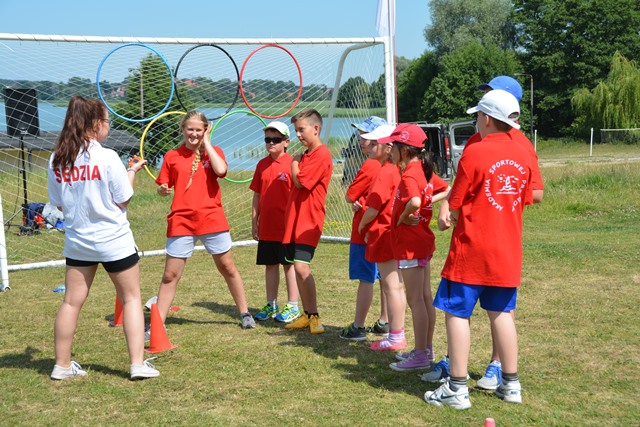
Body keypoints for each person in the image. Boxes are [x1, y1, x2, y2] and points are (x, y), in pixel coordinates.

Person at [425, 90, 542, 409]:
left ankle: (457, 387)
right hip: (507, 250)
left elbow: (456, 200)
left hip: (472, 249)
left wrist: (447, 214)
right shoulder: (523, 152)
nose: (476, 120)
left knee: (456, 313)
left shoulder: (474, 152)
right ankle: (511, 384)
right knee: (502, 314)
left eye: (478, 115)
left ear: (487, 119)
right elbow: (529, 196)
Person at [47, 96, 158, 380]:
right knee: (131, 299)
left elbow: (58, 203)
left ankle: (61, 365)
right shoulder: (107, 157)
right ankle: (137, 364)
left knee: (71, 302)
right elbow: (123, 199)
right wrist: (131, 172)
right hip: (114, 240)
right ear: (97, 124)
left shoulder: (58, 157)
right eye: (107, 121)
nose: (108, 126)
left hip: (78, 242)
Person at [153, 110, 255, 333]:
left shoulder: (213, 152)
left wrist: (206, 143)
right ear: (183, 129)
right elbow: (163, 185)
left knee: (227, 267)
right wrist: (162, 190)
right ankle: (157, 325)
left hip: (212, 219)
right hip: (181, 221)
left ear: (206, 130)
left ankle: (245, 313)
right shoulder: (172, 156)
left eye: (199, 130)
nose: (194, 134)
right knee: (170, 275)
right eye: (190, 129)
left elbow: (222, 170)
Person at [383, 124, 451, 371]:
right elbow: (445, 190)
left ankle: (421, 354)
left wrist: (403, 216)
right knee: (424, 298)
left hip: (411, 244)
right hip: (421, 242)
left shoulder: (411, 173)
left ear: (404, 149)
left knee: (416, 300)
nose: (389, 151)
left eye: (393, 146)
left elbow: (413, 200)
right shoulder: (423, 168)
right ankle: (425, 348)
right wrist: (425, 202)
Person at [282, 109, 333, 334]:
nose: (298, 135)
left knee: (302, 268)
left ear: (316, 128)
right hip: (295, 220)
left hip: (309, 221)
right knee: (296, 267)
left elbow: (301, 181)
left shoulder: (321, 154)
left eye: (301, 130)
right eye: (296, 131)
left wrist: (293, 163)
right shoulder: (306, 155)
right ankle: (306, 313)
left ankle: (315, 317)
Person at [339, 117, 390, 341]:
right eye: (361, 136)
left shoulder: (371, 164)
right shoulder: (391, 165)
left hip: (365, 232)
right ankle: (385, 321)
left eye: (366, 137)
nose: (361, 141)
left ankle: (358, 326)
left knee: (366, 278)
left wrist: (357, 199)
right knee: (385, 277)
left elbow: (350, 194)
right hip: (384, 230)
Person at [356, 125, 406, 351]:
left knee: (391, 287)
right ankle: (396, 332)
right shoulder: (397, 169)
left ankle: (396, 335)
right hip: (393, 232)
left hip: (384, 233)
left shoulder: (385, 172)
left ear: (388, 148)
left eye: (375, 143)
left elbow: (373, 208)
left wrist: (363, 226)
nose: (369, 146)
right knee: (395, 286)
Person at [250, 121, 300, 323]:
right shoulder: (261, 164)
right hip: (267, 226)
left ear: (286, 142)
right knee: (270, 265)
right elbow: (257, 194)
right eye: (267, 139)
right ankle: (271, 304)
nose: (271, 143)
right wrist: (255, 221)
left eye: (276, 139)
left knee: (289, 265)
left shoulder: (293, 164)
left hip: (286, 227)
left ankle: (293, 305)